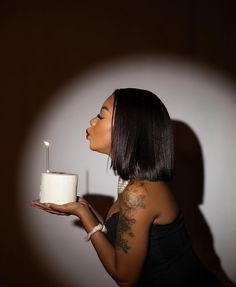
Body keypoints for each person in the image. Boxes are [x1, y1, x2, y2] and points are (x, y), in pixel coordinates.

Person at [32, 88, 223, 286]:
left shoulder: (140, 191)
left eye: (101, 115)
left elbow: (124, 277)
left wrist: (83, 215)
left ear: (128, 129)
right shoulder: (132, 184)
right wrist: (83, 206)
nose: (92, 121)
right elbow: (117, 238)